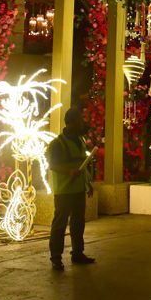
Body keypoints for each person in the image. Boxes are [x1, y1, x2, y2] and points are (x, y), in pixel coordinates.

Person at [46, 107, 95, 271]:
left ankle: (78, 253)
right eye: (79, 120)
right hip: (64, 191)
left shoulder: (79, 140)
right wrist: (69, 172)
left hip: (78, 189)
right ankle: (56, 257)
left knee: (78, 223)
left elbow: (83, 164)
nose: (82, 123)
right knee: (60, 224)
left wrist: (88, 184)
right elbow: (52, 165)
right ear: (72, 123)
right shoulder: (57, 143)